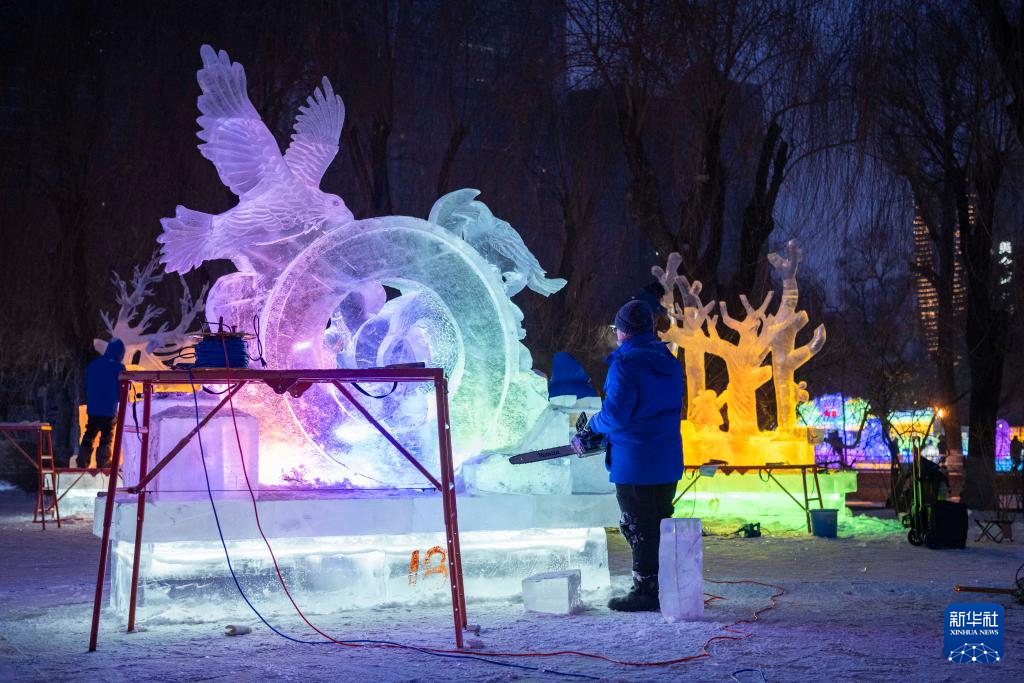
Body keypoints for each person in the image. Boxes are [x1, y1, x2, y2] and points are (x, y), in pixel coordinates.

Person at [585, 300, 684, 612]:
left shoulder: (625, 365)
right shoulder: (668, 361)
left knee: (638, 527)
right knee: (659, 523)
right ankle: (661, 584)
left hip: (635, 461)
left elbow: (615, 414)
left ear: (622, 331)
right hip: (666, 459)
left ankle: (645, 591)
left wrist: (592, 427)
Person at [78, 338, 126, 468]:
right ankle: (103, 461)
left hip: (93, 406)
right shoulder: (119, 367)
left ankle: (82, 460)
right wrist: (122, 400)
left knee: (90, 432)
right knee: (106, 435)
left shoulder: (94, 364)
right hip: (109, 408)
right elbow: (121, 388)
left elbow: (86, 383)